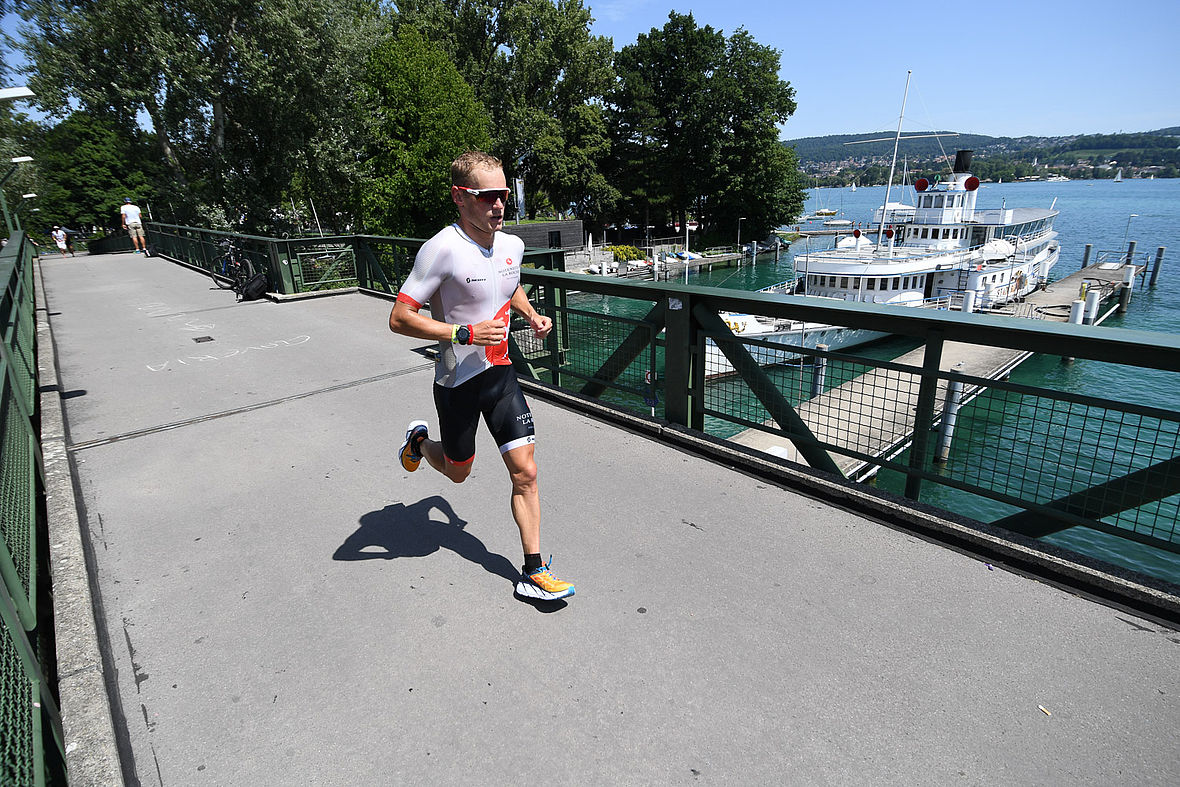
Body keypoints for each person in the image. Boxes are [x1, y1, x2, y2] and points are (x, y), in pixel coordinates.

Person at [388, 151, 574, 602]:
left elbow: (507, 283)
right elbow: (399, 317)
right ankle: (418, 443)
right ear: (460, 197)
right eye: (487, 195)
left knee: (526, 473)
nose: (499, 204)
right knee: (457, 473)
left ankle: (533, 571)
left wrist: (530, 314)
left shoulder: (512, 246)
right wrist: (463, 332)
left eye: (504, 194)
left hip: (501, 375)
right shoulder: (441, 250)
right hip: (457, 382)